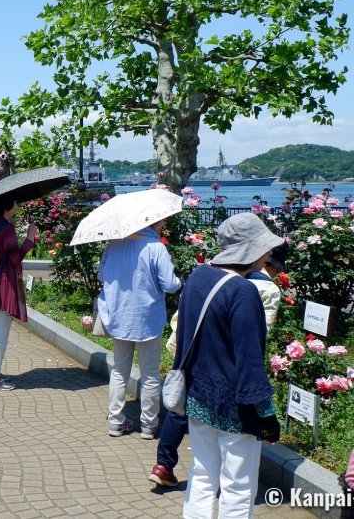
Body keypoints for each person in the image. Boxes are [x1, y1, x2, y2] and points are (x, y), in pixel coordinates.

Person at [149, 239, 289, 488]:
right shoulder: (257, 290)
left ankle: (163, 463)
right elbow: (252, 345)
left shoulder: (202, 274)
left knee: (199, 468)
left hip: (193, 360)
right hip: (230, 384)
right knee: (238, 484)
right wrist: (266, 414)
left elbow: (182, 317)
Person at [174, 213, 282, 518]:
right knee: (238, 485)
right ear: (250, 250)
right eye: (265, 247)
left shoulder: (198, 277)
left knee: (203, 473)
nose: (269, 254)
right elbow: (250, 360)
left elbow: (183, 335)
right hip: (236, 406)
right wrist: (267, 414)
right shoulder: (244, 292)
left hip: (198, 394)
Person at [97, 218, 181, 439]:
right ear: (154, 221)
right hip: (147, 318)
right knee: (150, 374)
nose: (164, 224)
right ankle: (149, 426)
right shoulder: (156, 247)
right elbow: (171, 286)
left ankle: (115, 422)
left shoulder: (114, 244)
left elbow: (102, 276)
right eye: (162, 221)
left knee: (119, 370)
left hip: (119, 316)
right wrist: (170, 266)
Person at [0, 195, 37, 392]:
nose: (18, 205)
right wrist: (29, 239)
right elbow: (15, 258)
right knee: (1, 332)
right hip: (4, 283)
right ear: (8, 206)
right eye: (16, 202)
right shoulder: (7, 229)